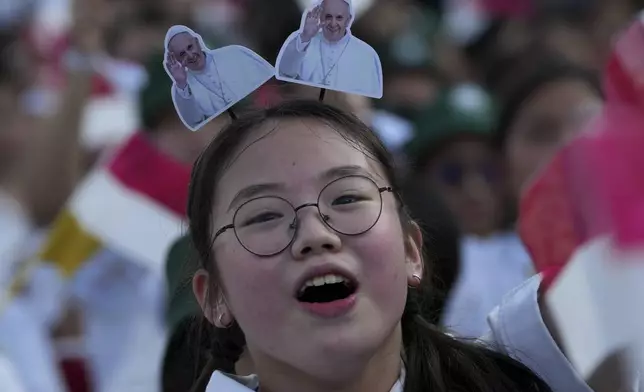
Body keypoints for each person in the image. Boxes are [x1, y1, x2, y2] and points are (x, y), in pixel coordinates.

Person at [183, 99, 633, 391]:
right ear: (215, 296)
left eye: (347, 197)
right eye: (263, 215)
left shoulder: (528, 370)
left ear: (411, 250)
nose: (316, 234)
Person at [164, 25, 274, 130]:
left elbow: (270, 84)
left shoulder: (234, 53)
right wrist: (181, 83)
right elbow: (194, 122)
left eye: (190, 47)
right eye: (182, 54)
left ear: (197, 42)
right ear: (176, 59)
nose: (190, 55)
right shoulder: (182, 88)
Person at [276, 0, 383, 98]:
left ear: (348, 19)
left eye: (339, 18)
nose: (333, 23)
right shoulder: (302, 41)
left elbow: (367, 95)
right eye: (328, 16)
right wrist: (305, 37)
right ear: (320, 17)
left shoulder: (367, 55)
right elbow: (285, 72)